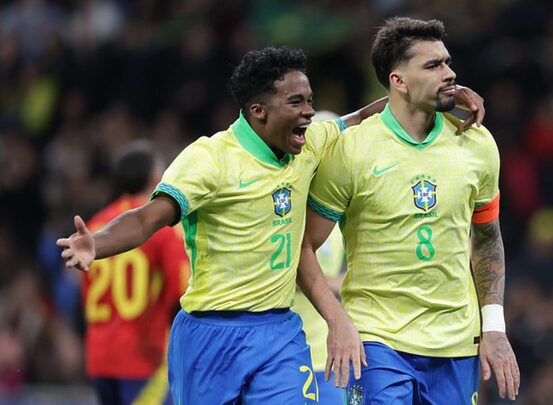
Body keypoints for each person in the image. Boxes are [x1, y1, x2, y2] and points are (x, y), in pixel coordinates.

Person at [57, 47, 486, 404]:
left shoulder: (311, 141)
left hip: (279, 332)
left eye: (310, 101)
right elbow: (147, 218)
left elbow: (361, 116)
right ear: (258, 111)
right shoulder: (210, 159)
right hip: (211, 333)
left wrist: (444, 95)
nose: (309, 112)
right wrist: (98, 242)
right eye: (296, 103)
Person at [299, 18, 520, 404]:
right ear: (398, 80)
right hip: (376, 343)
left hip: (455, 344)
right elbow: (303, 247)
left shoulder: (477, 143)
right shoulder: (352, 150)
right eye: (433, 66)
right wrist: (338, 322)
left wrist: (495, 328)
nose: (450, 73)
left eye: (448, 62)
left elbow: (487, 238)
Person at [82, 141, 188, 405]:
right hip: (143, 358)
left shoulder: (97, 225)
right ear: (156, 177)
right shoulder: (161, 227)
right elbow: (184, 288)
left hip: (99, 357)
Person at [290, 110, 348, 405]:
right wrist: (335, 283)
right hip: (290, 357)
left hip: (333, 356)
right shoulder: (287, 210)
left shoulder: (338, 220)